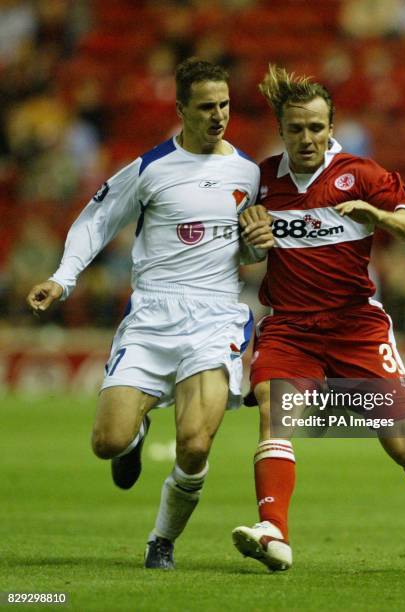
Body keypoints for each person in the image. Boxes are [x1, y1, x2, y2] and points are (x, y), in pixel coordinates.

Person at [26, 58, 273, 570]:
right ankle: (133, 437)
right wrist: (61, 279)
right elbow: (95, 221)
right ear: (181, 108)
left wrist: (256, 245)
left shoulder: (249, 173)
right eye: (206, 107)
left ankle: (162, 540)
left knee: (195, 444)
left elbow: (249, 252)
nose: (218, 116)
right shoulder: (150, 168)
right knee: (106, 442)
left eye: (225, 105)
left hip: (215, 315)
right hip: (152, 313)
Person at [232, 65, 405, 571]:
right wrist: (250, 242)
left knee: (404, 447)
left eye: (317, 127)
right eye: (296, 128)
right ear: (281, 128)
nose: (307, 138)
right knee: (275, 415)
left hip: (355, 327)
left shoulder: (360, 174)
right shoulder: (262, 180)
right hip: (290, 326)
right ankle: (274, 532)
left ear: (331, 126)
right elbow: (242, 256)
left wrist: (377, 217)